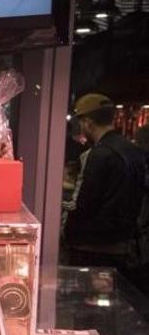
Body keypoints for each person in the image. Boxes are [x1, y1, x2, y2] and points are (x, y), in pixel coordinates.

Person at [62, 93, 149, 292]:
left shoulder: (96, 154)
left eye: (82, 122)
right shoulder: (134, 150)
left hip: (92, 247)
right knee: (114, 307)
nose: (82, 128)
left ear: (89, 122)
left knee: (85, 306)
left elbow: (81, 204)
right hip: (124, 247)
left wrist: (59, 199)